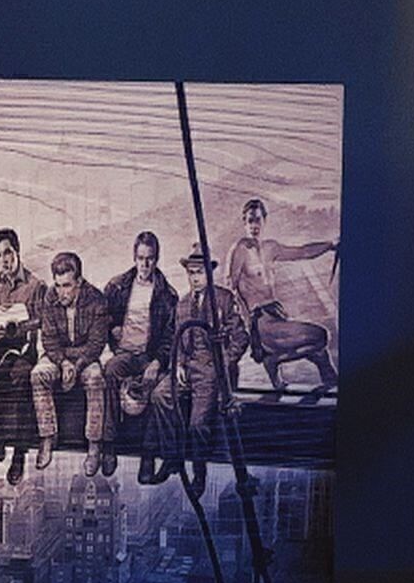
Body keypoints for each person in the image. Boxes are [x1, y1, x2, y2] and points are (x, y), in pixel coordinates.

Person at [140, 247, 246, 497]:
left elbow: (241, 337)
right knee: (159, 396)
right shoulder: (183, 305)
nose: (195, 278)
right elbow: (178, 340)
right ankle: (172, 457)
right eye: (191, 273)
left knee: (198, 423)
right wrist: (178, 364)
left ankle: (199, 473)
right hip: (187, 367)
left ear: (209, 273)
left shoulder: (224, 299)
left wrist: (225, 362)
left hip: (212, 370)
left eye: (199, 273)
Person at [227, 198, 339, 399]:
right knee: (321, 335)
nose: (254, 226)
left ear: (265, 220)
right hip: (261, 324)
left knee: (319, 353)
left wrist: (331, 245)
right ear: (244, 222)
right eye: (250, 221)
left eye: (258, 220)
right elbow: (231, 289)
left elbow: (303, 252)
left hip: (277, 315)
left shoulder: (271, 247)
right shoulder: (240, 250)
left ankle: (332, 388)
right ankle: (273, 359)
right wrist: (246, 326)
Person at [0, 227, 46, 485]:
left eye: (8, 253)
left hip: (25, 353)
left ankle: (19, 454)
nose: (4, 259)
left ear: (17, 250)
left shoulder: (36, 286)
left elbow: (43, 321)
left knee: (21, 379)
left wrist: (17, 327)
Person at [100, 231, 178, 476]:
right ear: (134, 258)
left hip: (149, 357)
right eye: (141, 258)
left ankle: (148, 453)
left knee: (156, 391)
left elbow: (170, 337)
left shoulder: (167, 295)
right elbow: (101, 318)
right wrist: (112, 329)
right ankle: (109, 445)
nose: (145, 264)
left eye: (150, 259)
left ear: (156, 259)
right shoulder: (117, 287)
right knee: (110, 372)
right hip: (124, 353)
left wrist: (157, 361)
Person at [32, 252, 109, 477]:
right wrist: (63, 362)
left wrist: (78, 364)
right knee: (38, 374)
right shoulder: (50, 297)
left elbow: (97, 343)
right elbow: (48, 339)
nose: (61, 292)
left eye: (67, 286)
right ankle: (47, 437)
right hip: (59, 355)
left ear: (79, 282)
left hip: (86, 356)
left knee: (95, 379)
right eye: (58, 285)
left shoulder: (96, 299)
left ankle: (94, 444)